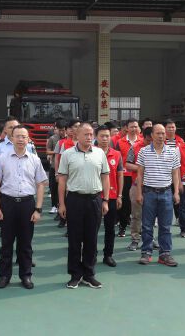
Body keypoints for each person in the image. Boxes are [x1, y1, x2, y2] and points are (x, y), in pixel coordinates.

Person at [0, 125, 47, 289]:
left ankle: (26, 276)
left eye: (24, 136)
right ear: (11, 138)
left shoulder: (34, 160)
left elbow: (40, 185)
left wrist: (38, 209)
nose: (21, 139)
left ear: (28, 139)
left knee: (25, 244)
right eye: (18, 136)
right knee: (6, 243)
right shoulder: (3, 157)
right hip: (7, 203)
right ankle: (4, 276)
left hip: (27, 204)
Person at [57, 122, 110, 289]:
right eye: (85, 134)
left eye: (91, 134)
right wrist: (62, 204)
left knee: (91, 239)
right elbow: (62, 181)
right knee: (74, 239)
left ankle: (89, 274)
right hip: (74, 200)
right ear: (76, 136)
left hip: (95, 200)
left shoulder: (99, 153)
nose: (89, 137)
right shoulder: (67, 154)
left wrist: (106, 200)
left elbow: (105, 177)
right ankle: (75, 274)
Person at [136, 124, 180, 267]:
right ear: (152, 135)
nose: (161, 136)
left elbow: (175, 173)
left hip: (166, 193)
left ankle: (165, 254)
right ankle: (146, 252)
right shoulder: (143, 152)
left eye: (163, 133)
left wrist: (176, 192)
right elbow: (140, 173)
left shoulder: (172, 152)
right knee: (147, 225)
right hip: (149, 193)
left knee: (165, 226)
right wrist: (139, 193)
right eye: (158, 133)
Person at [94, 125, 123, 267]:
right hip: (94, 196)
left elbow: (120, 176)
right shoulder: (90, 153)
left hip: (111, 196)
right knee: (93, 227)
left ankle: (108, 255)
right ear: (96, 137)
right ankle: (91, 254)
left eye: (107, 136)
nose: (105, 139)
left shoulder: (116, 154)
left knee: (110, 228)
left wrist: (120, 195)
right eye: (102, 136)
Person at [124, 126, 153, 251]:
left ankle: (150, 239)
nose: (150, 143)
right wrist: (141, 168)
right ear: (144, 137)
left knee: (151, 215)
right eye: (148, 140)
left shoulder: (161, 148)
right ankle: (135, 239)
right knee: (136, 214)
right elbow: (127, 164)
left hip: (153, 186)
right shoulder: (135, 147)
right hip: (137, 186)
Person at [114, 118, 140, 238]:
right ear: (126, 128)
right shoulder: (120, 142)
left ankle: (139, 230)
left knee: (137, 203)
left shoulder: (143, 141)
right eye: (132, 127)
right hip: (124, 177)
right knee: (124, 203)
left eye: (136, 126)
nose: (134, 129)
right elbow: (118, 160)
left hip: (138, 177)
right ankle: (123, 227)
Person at [54, 118, 81, 230]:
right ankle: (65, 220)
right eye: (75, 126)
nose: (77, 128)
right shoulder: (65, 144)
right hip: (68, 176)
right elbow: (58, 160)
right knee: (67, 199)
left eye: (79, 126)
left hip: (80, 177)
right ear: (69, 129)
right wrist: (57, 173)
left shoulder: (87, 142)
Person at [45, 120, 66, 215]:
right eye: (60, 130)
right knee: (54, 188)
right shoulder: (53, 139)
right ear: (56, 129)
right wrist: (57, 152)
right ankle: (54, 206)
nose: (62, 132)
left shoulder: (68, 139)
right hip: (55, 166)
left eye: (63, 130)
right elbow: (48, 151)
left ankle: (62, 206)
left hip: (65, 168)